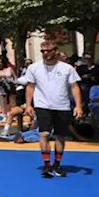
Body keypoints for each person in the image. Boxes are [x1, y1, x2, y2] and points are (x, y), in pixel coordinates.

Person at [21, 41, 83, 178]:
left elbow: (74, 87)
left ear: (55, 51)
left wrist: (78, 106)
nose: (45, 54)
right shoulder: (34, 68)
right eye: (42, 51)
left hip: (62, 106)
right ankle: (47, 164)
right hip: (43, 106)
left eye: (48, 51)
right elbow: (30, 86)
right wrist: (29, 105)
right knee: (44, 134)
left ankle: (57, 164)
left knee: (60, 136)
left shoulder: (67, 68)